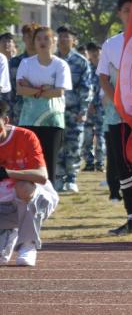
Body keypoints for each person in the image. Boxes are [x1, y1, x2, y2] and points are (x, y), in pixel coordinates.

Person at [99, 0, 132, 236]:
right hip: (118, 114)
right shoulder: (111, 44)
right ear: (119, 14)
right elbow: (104, 78)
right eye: (126, 10)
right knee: (123, 164)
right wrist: (119, 103)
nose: (131, 14)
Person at [0, 100, 59, 267]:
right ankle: (8, 232)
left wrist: (7, 173)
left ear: (5, 120)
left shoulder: (25, 136)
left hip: (37, 200)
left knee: (24, 187)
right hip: (4, 207)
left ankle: (28, 245)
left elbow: (42, 176)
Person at [15, 27, 72, 181]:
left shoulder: (61, 65)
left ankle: (49, 194)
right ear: (34, 42)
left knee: (49, 164)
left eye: (46, 38)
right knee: (29, 163)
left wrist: (32, 89)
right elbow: (20, 89)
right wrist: (44, 90)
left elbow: (59, 92)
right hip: (28, 120)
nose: (42, 42)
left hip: (53, 121)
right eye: (38, 38)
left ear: (53, 41)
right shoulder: (26, 63)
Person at [54, 26, 93, 193]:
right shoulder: (52, 60)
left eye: (66, 36)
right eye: (60, 36)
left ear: (74, 40)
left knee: (74, 145)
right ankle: (58, 178)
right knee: (57, 145)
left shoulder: (80, 61)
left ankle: (71, 178)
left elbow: (86, 88)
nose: (63, 39)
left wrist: (83, 111)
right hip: (55, 111)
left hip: (74, 111)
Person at [81, 42, 106, 173]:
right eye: (91, 51)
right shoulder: (87, 69)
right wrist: (89, 103)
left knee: (101, 136)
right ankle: (89, 162)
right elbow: (85, 88)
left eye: (97, 50)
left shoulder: (105, 68)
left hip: (103, 108)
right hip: (88, 108)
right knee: (87, 136)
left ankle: (100, 162)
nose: (95, 53)